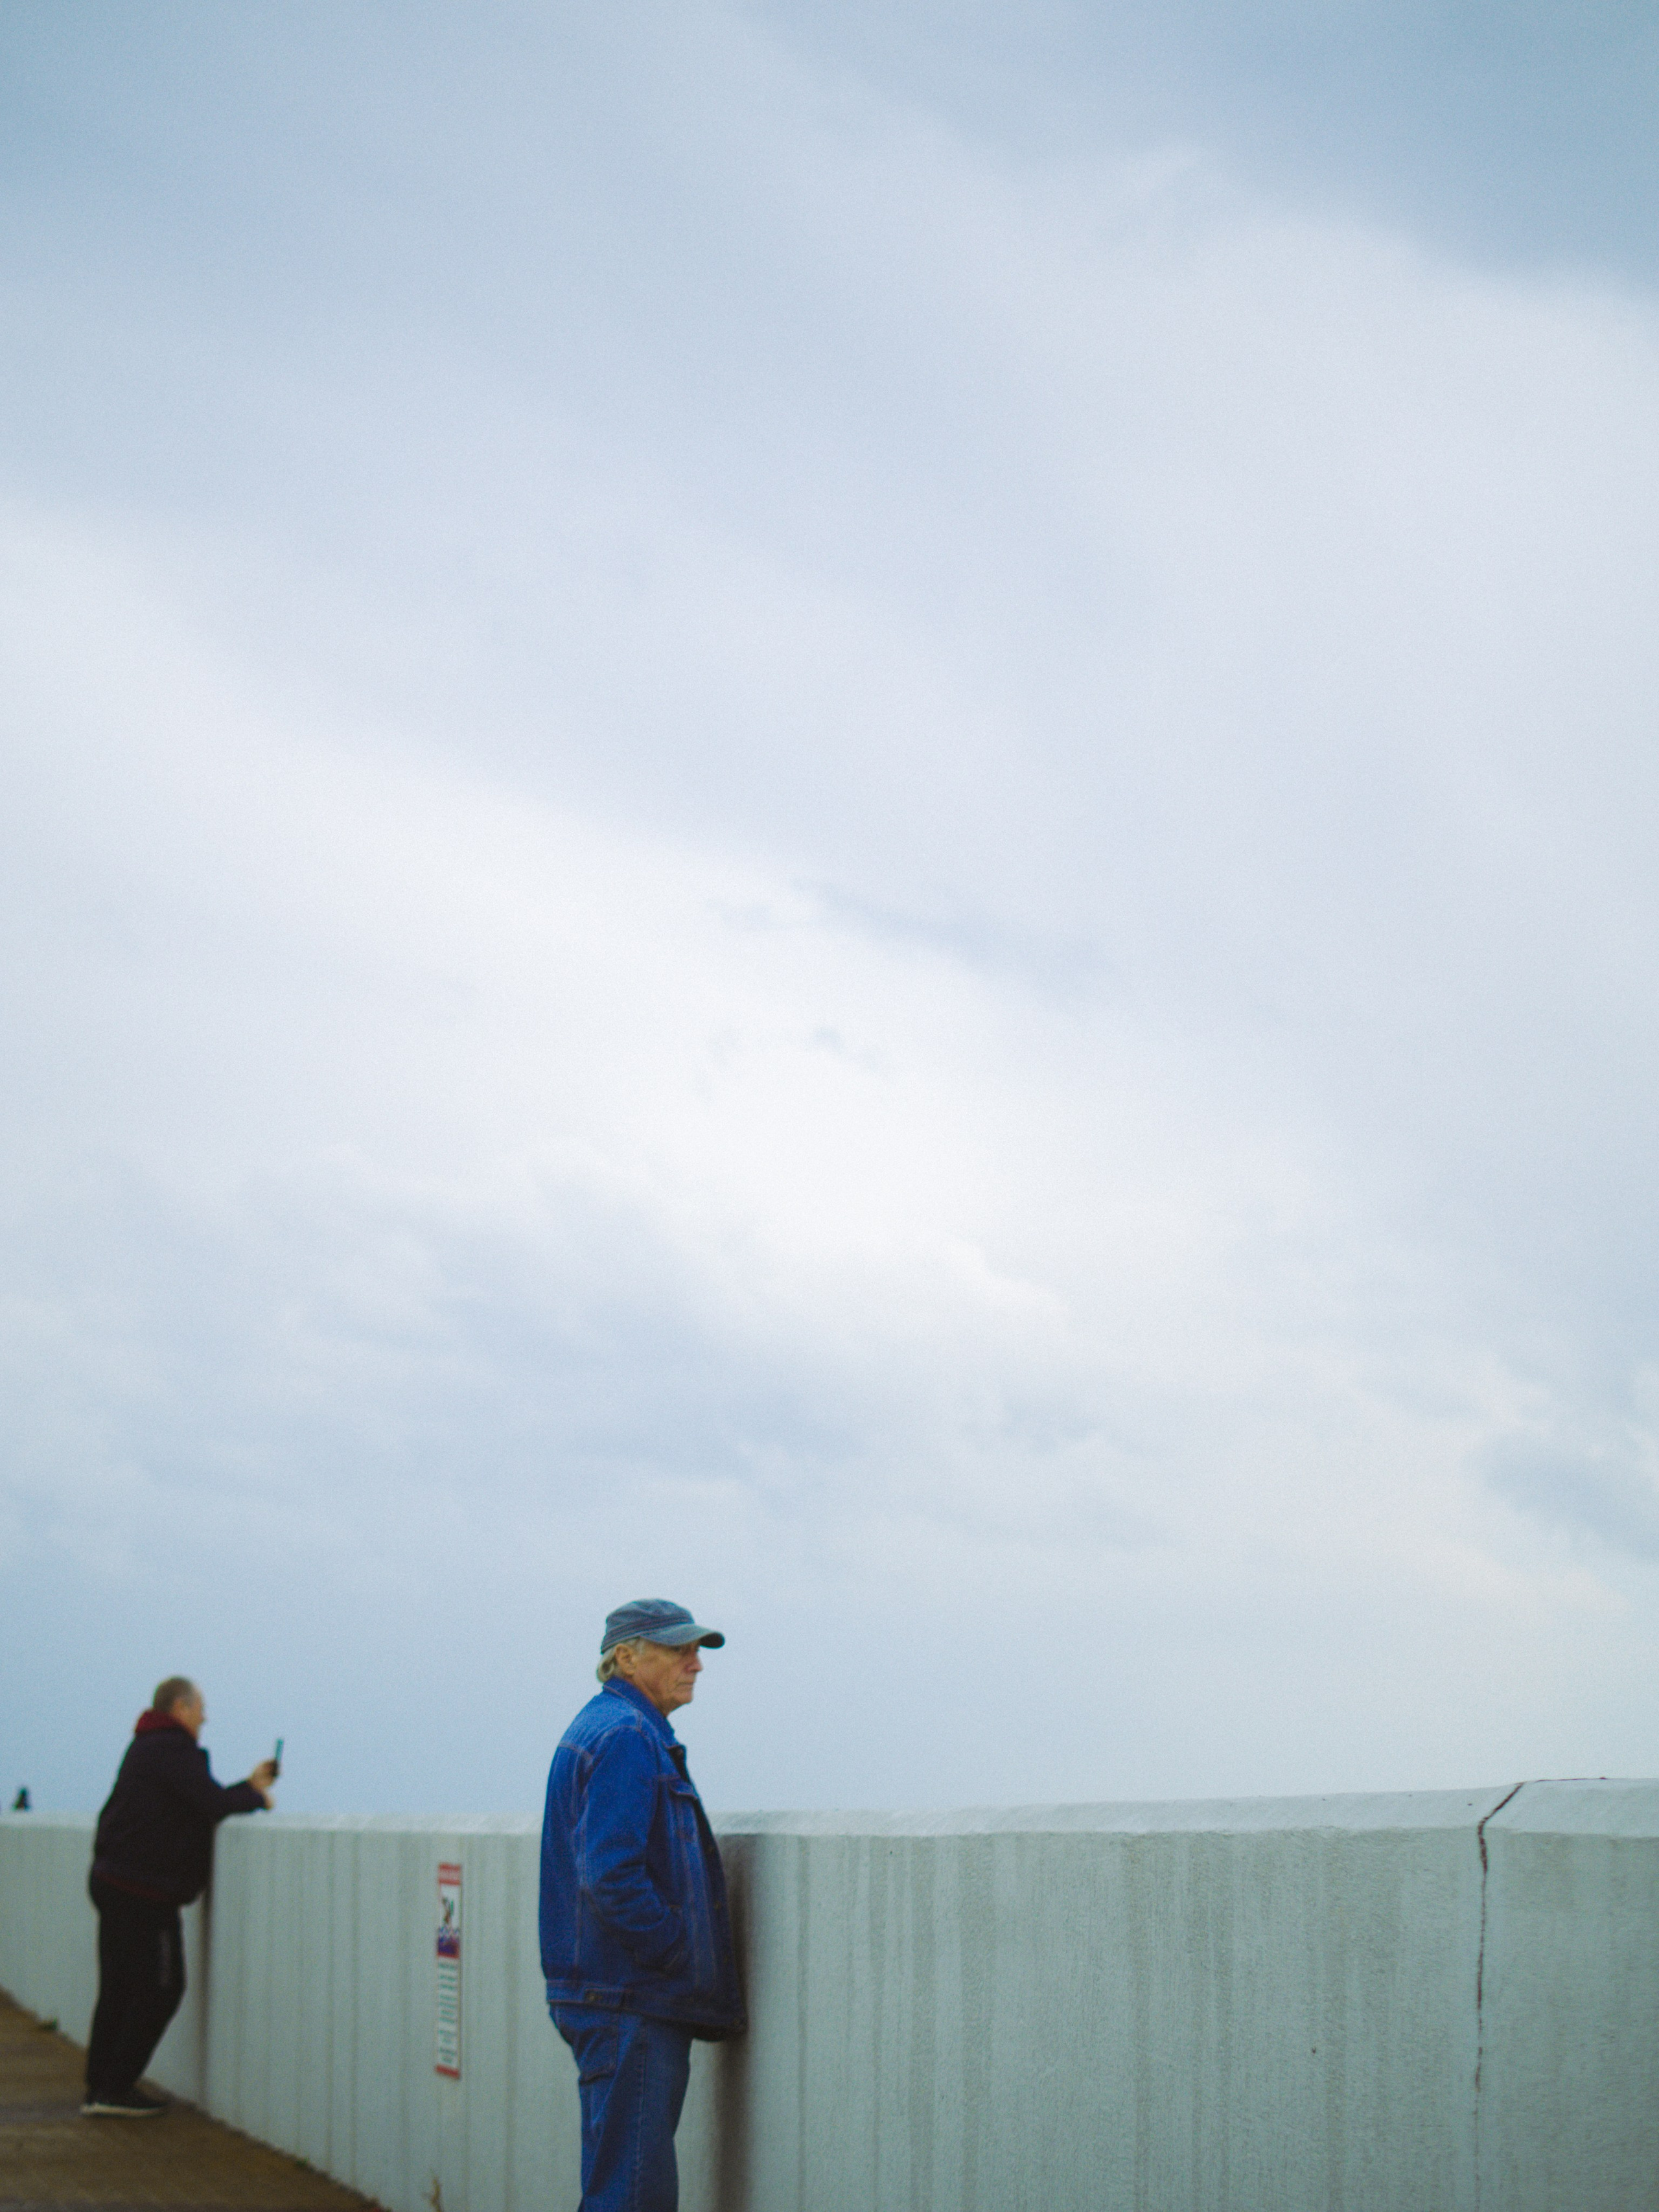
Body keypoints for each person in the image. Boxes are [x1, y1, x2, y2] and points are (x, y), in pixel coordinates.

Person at [540, 1599, 745, 2212]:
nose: (696, 1664)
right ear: (626, 1657)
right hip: (630, 1997)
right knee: (632, 2193)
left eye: (698, 1650)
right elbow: (611, 1874)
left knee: (619, 2183)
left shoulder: (604, 1727)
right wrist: (675, 1951)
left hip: (611, 1993)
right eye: (680, 1649)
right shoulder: (628, 1737)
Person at [82, 1677, 276, 2117]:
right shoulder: (171, 1747)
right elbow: (209, 1803)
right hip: (143, 1891)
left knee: (117, 1988)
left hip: (114, 1879)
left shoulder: (148, 1747)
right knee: (162, 1988)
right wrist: (256, 1797)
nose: (205, 1717)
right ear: (181, 1707)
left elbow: (193, 1798)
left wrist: (248, 1785)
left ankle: (99, 2086)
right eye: (200, 1707)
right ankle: (114, 2089)